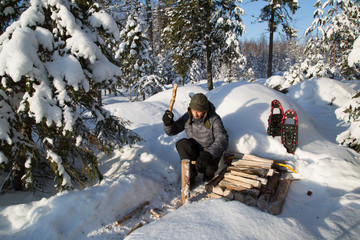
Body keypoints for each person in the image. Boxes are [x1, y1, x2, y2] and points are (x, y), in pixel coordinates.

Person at [162, 93, 229, 185]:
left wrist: (208, 154)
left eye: (199, 111)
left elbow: (223, 139)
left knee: (208, 173)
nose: (195, 114)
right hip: (195, 149)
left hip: (208, 153)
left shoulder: (214, 119)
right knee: (182, 144)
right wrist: (168, 124)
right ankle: (190, 175)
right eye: (193, 110)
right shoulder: (188, 116)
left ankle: (207, 174)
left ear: (205, 110)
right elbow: (172, 131)